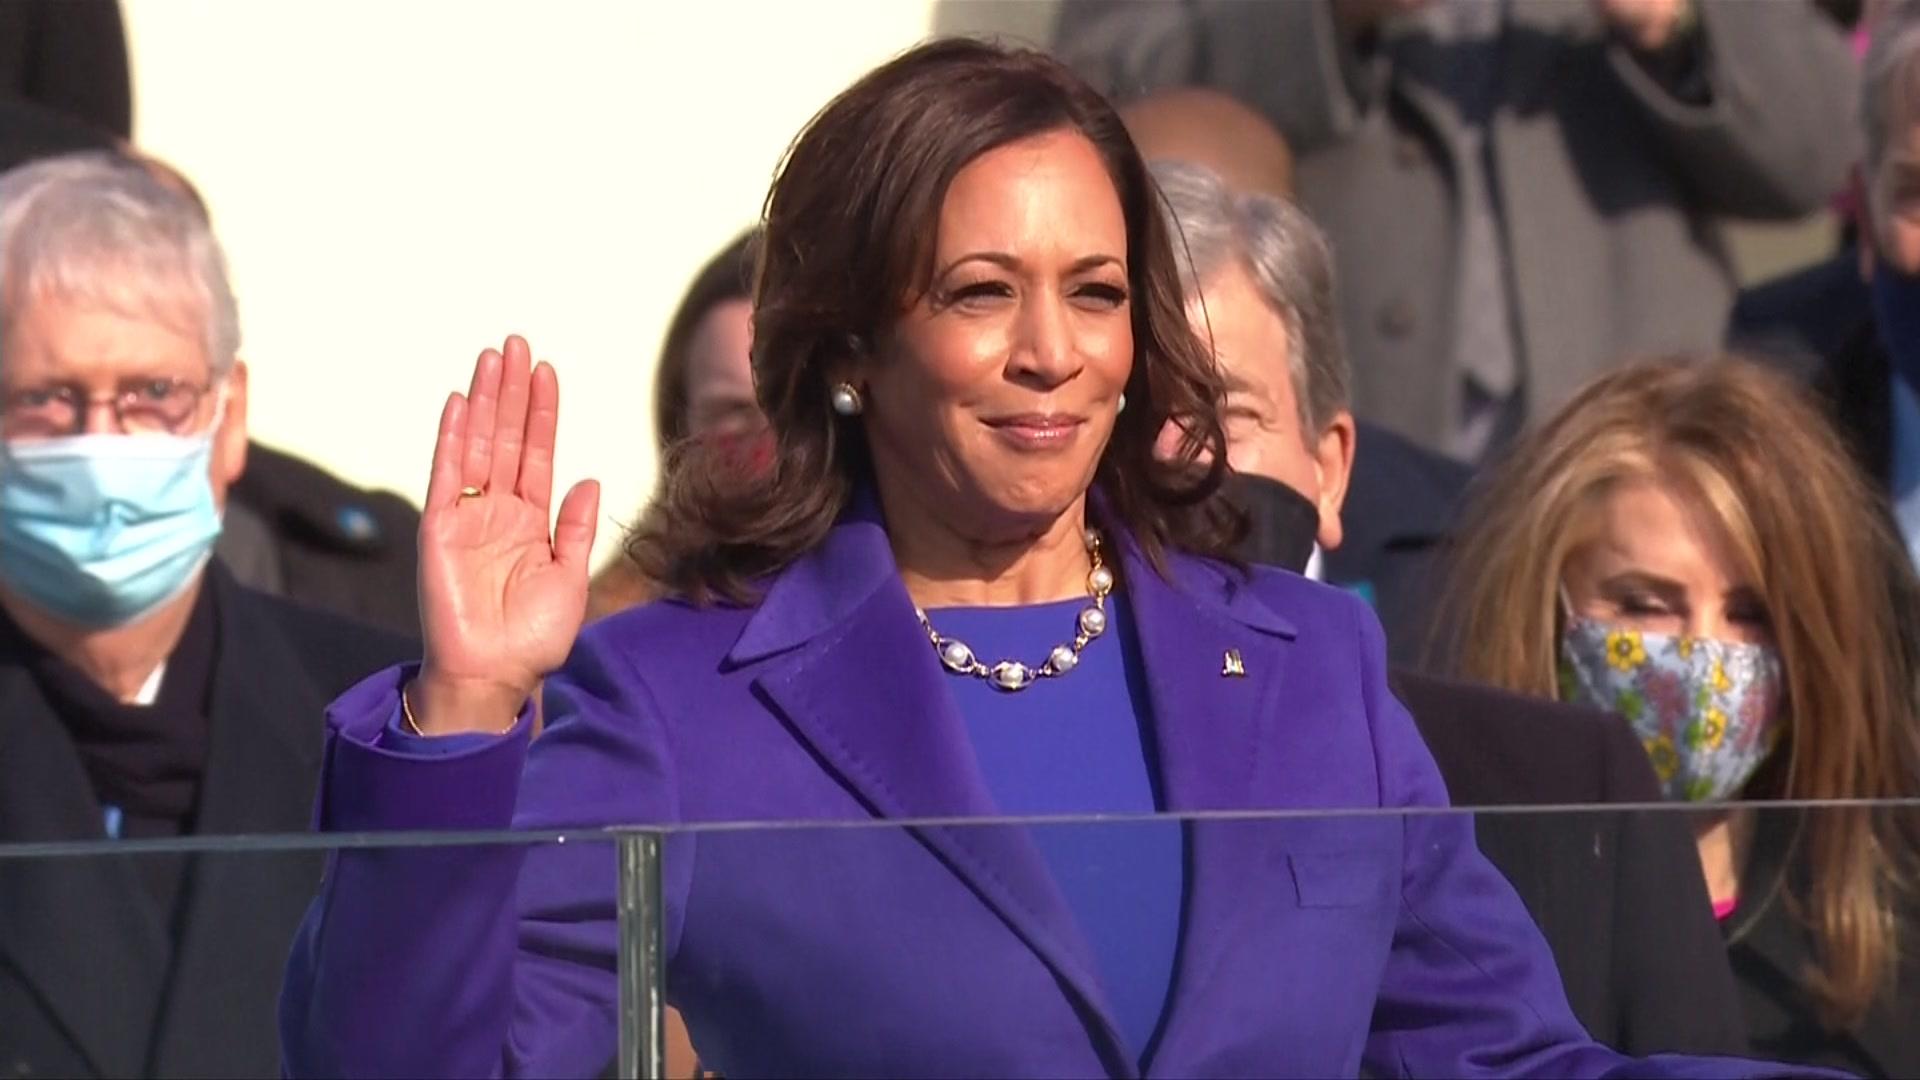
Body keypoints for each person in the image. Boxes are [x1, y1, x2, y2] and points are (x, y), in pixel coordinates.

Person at [281, 41, 1824, 1078]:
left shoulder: (1305, 671)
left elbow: (1508, 1067)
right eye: (977, 292)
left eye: (1093, 294)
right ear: (850, 351)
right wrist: (466, 716)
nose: (1048, 355)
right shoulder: (685, 699)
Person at [1152, 156, 1748, 1056]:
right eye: (1131, 414)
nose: (1176, 454)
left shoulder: (1565, 785)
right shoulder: (1004, 753)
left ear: (1331, 464)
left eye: (1226, 411)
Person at [0, 153, 417, 1077]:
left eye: (152, 395)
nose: (99, 443)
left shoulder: (391, 719)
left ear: (229, 421)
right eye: (46, 398)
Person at [1053, 0, 1860, 463]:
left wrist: (1678, 23)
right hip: (1350, 446)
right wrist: (1331, 18)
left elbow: (1818, 153)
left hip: (1634, 450)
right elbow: (1105, 88)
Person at [1437, 356, 1920, 1076]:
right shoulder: (1454, 908)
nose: (1705, 653)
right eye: (1644, 604)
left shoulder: (1882, 920)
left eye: (1751, 613)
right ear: (1546, 609)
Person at [588, 230, 759, 620]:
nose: (765, 439)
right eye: (732, 411)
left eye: (788, 408)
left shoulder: (912, 586)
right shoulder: (611, 632)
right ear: (680, 426)